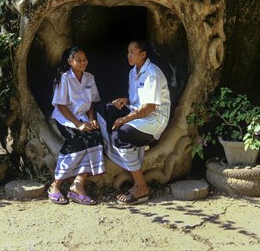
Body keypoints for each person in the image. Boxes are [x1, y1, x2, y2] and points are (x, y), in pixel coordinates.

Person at [96, 40, 171, 204]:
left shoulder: (152, 72)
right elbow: (138, 101)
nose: (128, 55)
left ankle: (141, 185)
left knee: (120, 135)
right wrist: (125, 100)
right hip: (138, 112)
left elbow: (150, 106)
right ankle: (123, 154)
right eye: (128, 52)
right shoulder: (133, 72)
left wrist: (125, 119)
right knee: (104, 109)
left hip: (154, 119)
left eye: (132, 52)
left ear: (143, 55)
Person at [48, 46, 105, 205]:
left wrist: (92, 118)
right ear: (70, 62)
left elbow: (92, 101)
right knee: (77, 143)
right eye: (78, 60)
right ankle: (55, 185)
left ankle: (78, 185)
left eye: (85, 59)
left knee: (95, 137)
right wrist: (78, 124)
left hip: (83, 117)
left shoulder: (89, 78)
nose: (83, 62)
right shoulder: (65, 78)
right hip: (66, 118)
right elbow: (61, 106)